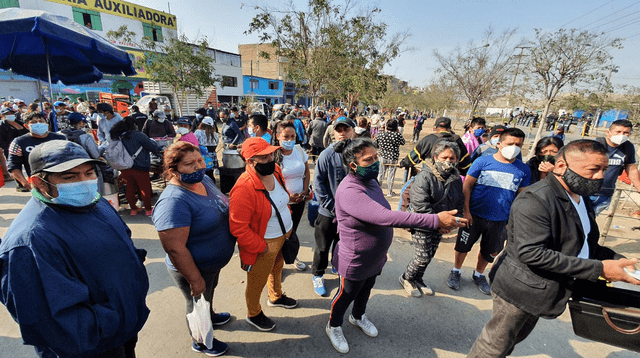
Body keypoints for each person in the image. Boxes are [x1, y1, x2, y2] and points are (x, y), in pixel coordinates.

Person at [467, 139, 640, 357]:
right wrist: (600, 269)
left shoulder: (580, 197)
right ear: (561, 167)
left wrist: (620, 261)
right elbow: (531, 253)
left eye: (604, 169)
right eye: (593, 169)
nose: (600, 176)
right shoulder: (535, 199)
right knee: (494, 345)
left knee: (513, 339)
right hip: (521, 289)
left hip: (546, 289)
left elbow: (584, 241)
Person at [0, 140, 150, 358]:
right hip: (91, 346)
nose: (85, 182)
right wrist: (111, 320)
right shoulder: (29, 241)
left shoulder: (95, 203)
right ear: (38, 182)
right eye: (69, 177)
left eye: (89, 173)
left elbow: (124, 244)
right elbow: (50, 319)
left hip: (122, 330)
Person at [325, 138, 466, 354]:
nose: (375, 162)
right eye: (368, 160)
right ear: (353, 165)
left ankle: (358, 316)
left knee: (366, 289)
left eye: (375, 157)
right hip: (355, 259)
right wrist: (435, 221)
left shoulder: (371, 181)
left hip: (375, 256)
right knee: (347, 294)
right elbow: (385, 216)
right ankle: (333, 325)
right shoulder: (349, 190)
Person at [152, 141, 235, 356]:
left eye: (200, 160)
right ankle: (201, 341)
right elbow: (175, 248)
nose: (199, 166)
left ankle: (211, 315)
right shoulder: (173, 202)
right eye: (189, 164)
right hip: (194, 268)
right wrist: (195, 279)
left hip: (211, 264)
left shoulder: (205, 180)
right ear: (173, 170)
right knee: (196, 302)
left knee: (207, 294)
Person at [448, 128, 531, 294]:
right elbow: (467, 186)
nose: (514, 147)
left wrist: (511, 222)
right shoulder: (482, 162)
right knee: (463, 246)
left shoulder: (523, 169)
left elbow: (521, 198)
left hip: (500, 219)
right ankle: (456, 270)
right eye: (510, 143)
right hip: (474, 215)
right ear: (499, 143)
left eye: (518, 145)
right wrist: (466, 211)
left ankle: (479, 274)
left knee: (489, 251)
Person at [229, 137, 299, 332]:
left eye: (270, 154)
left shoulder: (275, 171)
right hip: (264, 241)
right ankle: (254, 313)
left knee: (277, 268)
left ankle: (276, 296)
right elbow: (238, 227)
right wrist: (261, 247)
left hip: (283, 235)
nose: (270, 159)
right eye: (264, 157)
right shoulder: (244, 187)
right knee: (256, 281)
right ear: (250, 161)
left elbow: (280, 199)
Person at [399, 141, 464, 297]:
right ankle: (406, 278)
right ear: (435, 157)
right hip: (422, 222)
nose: (448, 161)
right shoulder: (424, 177)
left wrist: (452, 223)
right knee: (422, 257)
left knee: (430, 255)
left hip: (442, 224)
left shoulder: (456, 179)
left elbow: (459, 201)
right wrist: (439, 223)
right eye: (444, 157)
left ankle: (418, 279)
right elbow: (421, 205)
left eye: (452, 158)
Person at [311, 117, 355, 296]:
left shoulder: (358, 153)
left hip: (350, 214)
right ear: (333, 132)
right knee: (322, 247)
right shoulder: (326, 155)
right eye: (339, 130)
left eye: (345, 129)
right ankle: (317, 274)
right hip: (328, 213)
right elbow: (318, 184)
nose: (342, 133)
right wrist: (331, 206)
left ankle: (336, 267)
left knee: (342, 245)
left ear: (353, 131)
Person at [273, 120, 311, 271]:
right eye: (285, 136)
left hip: (300, 200)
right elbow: (272, 182)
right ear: (277, 136)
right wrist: (288, 198)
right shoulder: (272, 154)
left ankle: (291, 256)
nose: (289, 140)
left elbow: (307, 171)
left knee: (292, 231)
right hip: (282, 203)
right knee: (279, 233)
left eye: (292, 136)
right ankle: (277, 265)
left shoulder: (299, 150)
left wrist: (305, 190)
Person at [110, 116, 161, 216]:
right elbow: (152, 147)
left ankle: (133, 209)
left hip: (125, 167)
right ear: (134, 125)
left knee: (130, 187)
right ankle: (148, 210)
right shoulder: (138, 135)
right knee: (145, 188)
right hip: (140, 166)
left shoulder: (119, 136)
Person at [588, 119, 640, 216]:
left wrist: (638, 187)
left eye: (626, 133)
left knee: (590, 222)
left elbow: (631, 168)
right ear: (608, 132)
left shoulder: (627, 148)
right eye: (618, 132)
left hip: (605, 193)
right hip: (586, 191)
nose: (622, 135)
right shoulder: (596, 145)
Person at [399, 117, 472, 183]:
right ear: (450, 128)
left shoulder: (429, 139)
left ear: (435, 127)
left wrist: (403, 163)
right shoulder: (457, 140)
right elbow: (465, 165)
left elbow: (413, 157)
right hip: (451, 181)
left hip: (429, 180)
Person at [7, 111, 66, 192]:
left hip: (63, 180)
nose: (38, 124)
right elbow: (13, 165)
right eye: (33, 122)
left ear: (46, 123)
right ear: (26, 126)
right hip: (39, 183)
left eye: (41, 121)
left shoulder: (61, 138)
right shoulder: (19, 142)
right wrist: (24, 183)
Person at [375, 119, 405, 197]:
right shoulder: (397, 135)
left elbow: (375, 143)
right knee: (391, 176)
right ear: (396, 127)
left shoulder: (380, 134)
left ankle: (378, 191)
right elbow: (403, 142)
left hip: (382, 157)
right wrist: (398, 132)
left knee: (380, 174)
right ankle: (389, 192)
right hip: (393, 157)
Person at [0, 106, 28, 183]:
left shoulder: (20, 123)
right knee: (15, 167)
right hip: (10, 150)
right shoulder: (2, 126)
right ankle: (20, 183)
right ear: (3, 115)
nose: (10, 115)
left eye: (11, 113)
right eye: (7, 114)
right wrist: (7, 148)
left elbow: (27, 133)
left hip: (24, 147)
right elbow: (2, 141)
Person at [195, 116, 220, 182]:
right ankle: (212, 185)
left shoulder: (198, 133)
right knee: (210, 174)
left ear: (202, 124)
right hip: (211, 155)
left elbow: (195, 143)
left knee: (202, 173)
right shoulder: (215, 134)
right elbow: (216, 143)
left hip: (202, 156)